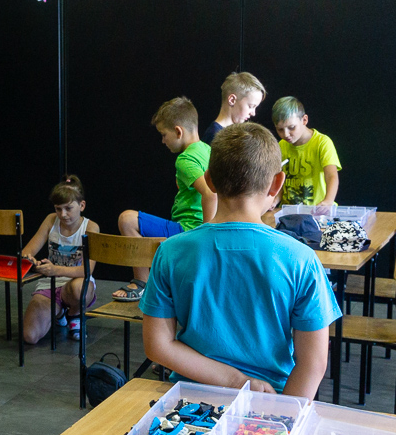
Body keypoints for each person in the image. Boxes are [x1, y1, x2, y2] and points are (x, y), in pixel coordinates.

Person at [141, 122, 341, 396]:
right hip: (270, 402)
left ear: (209, 180)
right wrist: (280, 415)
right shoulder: (302, 260)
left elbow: (157, 346)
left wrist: (236, 381)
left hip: (188, 405)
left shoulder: (171, 251)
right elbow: (313, 364)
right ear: (277, 184)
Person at [115, 97, 217, 301]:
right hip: (191, 229)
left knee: (126, 219)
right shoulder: (208, 151)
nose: (163, 141)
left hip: (188, 230)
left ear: (178, 131)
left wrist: (206, 235)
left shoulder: (185, 159)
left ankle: (141, 282)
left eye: (164, 135)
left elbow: (210, 194)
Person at [20, 175, 101, 343]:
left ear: (82, 205)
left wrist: (54, 269)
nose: (63, 214)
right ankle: (59, 312)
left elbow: (87, 270)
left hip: (76, 282)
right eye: (58, 209)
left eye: (68, 208)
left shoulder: (91, 227)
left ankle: (74, 315)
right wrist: (31, 260)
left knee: (79, 289)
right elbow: (27, 251)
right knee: (29, 336)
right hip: (50, 283)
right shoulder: (51, 220)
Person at [271, 96, 341, 207]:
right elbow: (281, 180)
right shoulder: (281, 145)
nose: (286, 134)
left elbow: (331, 176)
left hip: (317, 210)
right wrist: (275, 201)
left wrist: (328, 201)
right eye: (280, 129)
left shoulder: (322, 143)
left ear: (304, 120)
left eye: (291, 127)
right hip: (288, 211)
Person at [201, 72, 266, 144]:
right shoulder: (213, 135)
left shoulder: (238, 133)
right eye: (250, 106)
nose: (253, 113)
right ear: (232, 100)